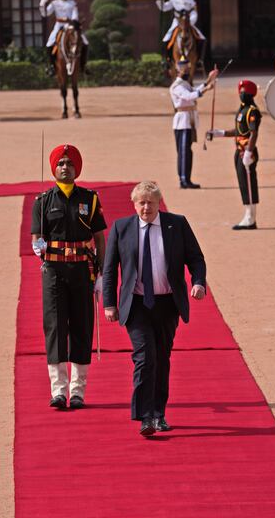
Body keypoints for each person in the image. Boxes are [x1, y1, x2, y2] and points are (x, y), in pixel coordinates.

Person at [101, 181, 206, 436]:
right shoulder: (122, 228)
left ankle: (159, 414)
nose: (146, 207)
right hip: (136, 304)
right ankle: (145, 416)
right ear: (134, 204)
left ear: (159, 203)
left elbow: (195, 258)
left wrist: (198, 282)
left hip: (167, 303)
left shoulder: (176, 224)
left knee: (161, 358)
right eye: (141, 202)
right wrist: (109, 304)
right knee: (145, 357)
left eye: (150, 202)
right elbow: (110, 268)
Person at [31, 144, 107, 410]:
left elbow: (99, 238)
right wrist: (37, 246)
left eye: (70, 163)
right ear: (54, 168)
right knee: (55, 328)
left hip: (81, 271)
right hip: (53, 272)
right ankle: (58, 390)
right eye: (61, 163)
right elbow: (36, 237)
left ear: (77, 168)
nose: (65, 167)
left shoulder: (90, 199)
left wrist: (101, 275)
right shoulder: (42, 202)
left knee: (81, 327)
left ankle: (78, 391)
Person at [206, 79, 263, 229]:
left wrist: (249, 153)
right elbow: (238, 131)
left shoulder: (252, 111)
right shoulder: (242, 110)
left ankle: (251, 218)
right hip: (239, 151)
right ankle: (247, 214)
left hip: (247, 152)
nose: (242, 94)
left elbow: (253, 133)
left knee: (249, 184)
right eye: (241, 91)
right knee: (243, 184)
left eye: (245, 92)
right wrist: (219, 133)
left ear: (251, 94)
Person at [169, 58, 218, 189]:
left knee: (188, 152)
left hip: (188, 121)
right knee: (184, 152)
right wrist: (207, 88)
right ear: (178, 70)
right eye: (185, 69)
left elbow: (194, 90)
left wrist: (208, 80)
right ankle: (183, 180)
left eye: (188, 69)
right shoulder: (177, 86)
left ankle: (187, 179)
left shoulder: (185, 83)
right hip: (182, 122)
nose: (188, 71)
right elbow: (189, 96)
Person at [40, 0, 89, 77]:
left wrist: (72, 21)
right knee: (49, 44)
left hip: (71, 25)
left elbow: (75, 16)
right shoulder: (54, 3)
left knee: (85, 42)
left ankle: (83, 66)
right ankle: (52, 66)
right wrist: (43, 3)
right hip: (59, 25)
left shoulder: (72, 3)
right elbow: (45, 14)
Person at [156, 0, 206, 68]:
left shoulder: (191, 1)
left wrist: (188, 22)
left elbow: (194, 13)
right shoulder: (173, 0)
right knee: (166, 38)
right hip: (177, 22)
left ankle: (199, 60)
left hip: (189, 22)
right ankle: (167, 59)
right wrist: (159, 1)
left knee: (201, 37)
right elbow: (164, 8)